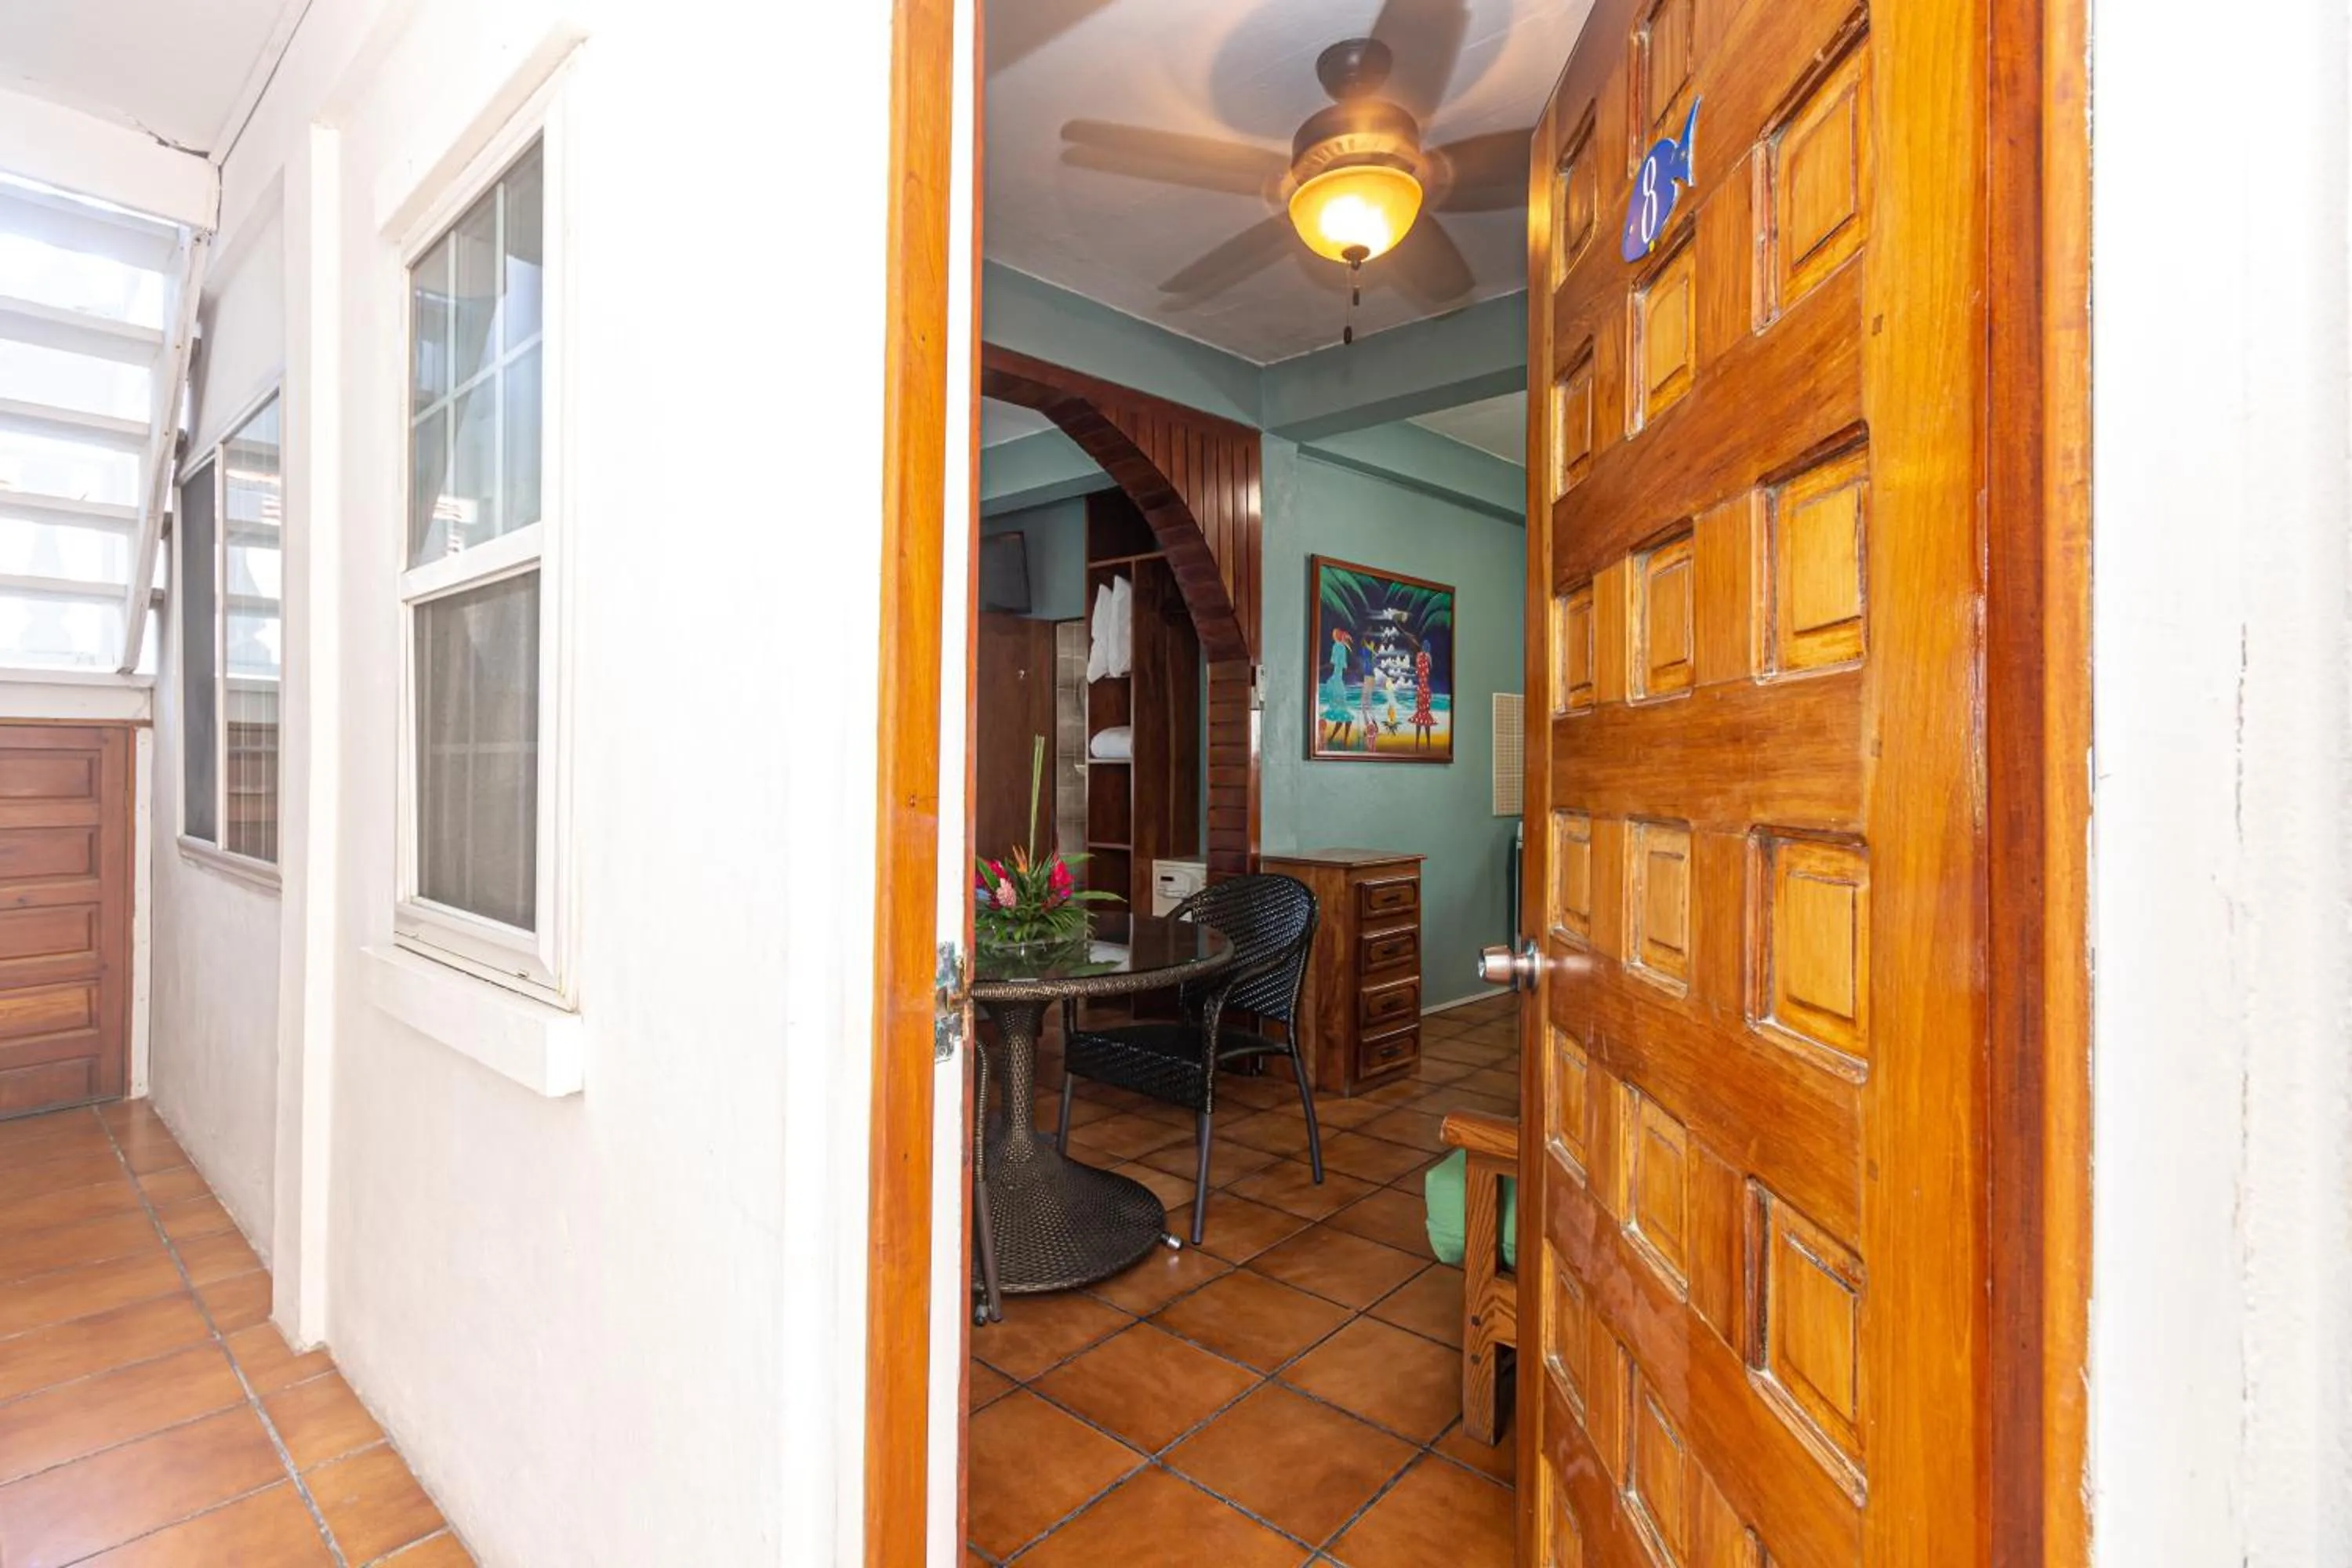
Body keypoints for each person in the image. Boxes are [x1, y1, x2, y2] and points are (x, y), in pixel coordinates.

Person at [1319, 628, 1356, 750]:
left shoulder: (1337, 647)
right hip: (1338, 680)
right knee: (1342, 713)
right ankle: (1340, 740)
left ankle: (1334, 739)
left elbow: (1333, 664)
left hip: (1336, 681)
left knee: (1340, 713)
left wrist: (1320, 668)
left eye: (1334, 634)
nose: (1333, 635)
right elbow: (1342, 666)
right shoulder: (1343, 647)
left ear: (1336, 636)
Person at [1410, 647, 1436, 750]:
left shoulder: (1420, 657)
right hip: (1425, 690)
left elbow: (1418, 670)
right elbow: (1430, 667)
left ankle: (1418, 745)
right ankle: (1427, 745)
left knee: (1420, 718)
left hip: (1421, 691)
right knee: (1424, 717)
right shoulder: (1427, 657)